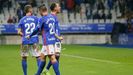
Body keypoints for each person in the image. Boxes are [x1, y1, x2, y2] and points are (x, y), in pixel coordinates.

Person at [27, 4, 60, 75]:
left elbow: (37, 29)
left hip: (48, 41)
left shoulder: (42, 19)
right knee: (42, 57)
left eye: (39, 11)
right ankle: (38, 74)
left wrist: (30, 35)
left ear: (41, 11)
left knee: (53, 58)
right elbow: (55, 29)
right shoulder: (52, 17)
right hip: (51, 40)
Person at [17, 5, 40, 75]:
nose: (32, 10)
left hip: (25, 41)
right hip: (34, 40)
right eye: (31, 9)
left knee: (24, 58)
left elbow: (18, 32)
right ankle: (39, 73)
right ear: (29, 10)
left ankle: (25, 74)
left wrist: (24, 35)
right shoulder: (36, 18)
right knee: (38, 57)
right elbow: (39, 28)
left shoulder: (22, 20)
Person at [43, 3, 63, 75]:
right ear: (55, 8)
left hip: (57, 39)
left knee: (56, 57)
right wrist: (57, 37)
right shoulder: (51, 17)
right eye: (58, 6)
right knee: (54, 57)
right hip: (52, 40)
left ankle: (46, 69)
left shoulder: (54, 17)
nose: (60, 7)